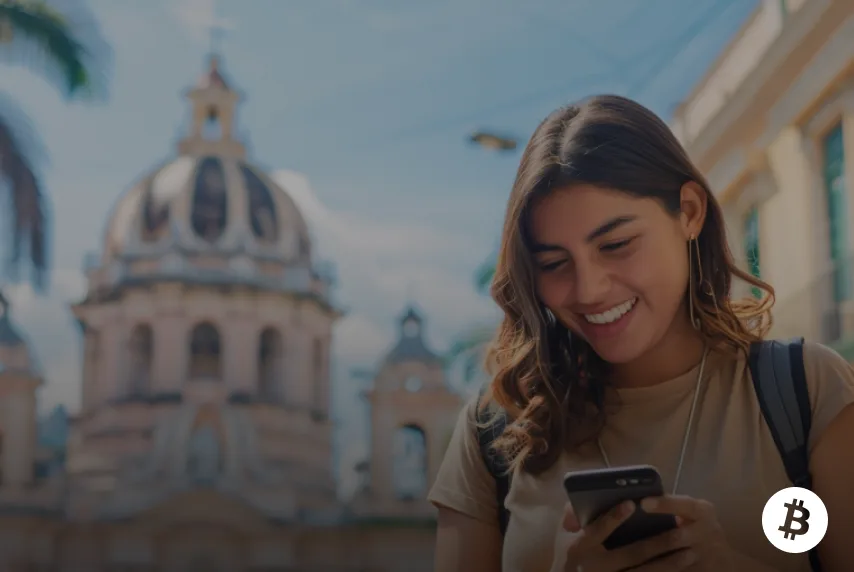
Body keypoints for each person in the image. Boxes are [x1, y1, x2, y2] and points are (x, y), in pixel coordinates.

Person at [427, 94, 854, 572]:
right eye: (553, 263)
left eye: (616, 244)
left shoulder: (808, 391)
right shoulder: (495, 434)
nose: (588, 290)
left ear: (689, 212)